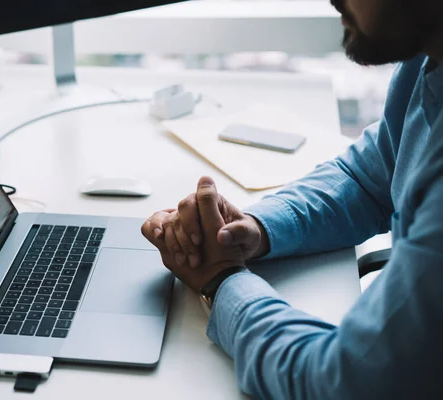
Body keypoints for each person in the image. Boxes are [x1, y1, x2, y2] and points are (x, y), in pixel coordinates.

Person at [141, 0, 443, 398]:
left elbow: (341, 383)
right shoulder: (428, 62)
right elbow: (367, 179)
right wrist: (251, 229)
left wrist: (221, 282)